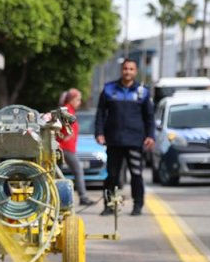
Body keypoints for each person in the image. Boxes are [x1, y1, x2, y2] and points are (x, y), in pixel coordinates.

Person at [95, 59, 154, 216]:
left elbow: (149, 117)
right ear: (121, 70)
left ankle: (138, 205)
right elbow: (100, 113)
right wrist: (99, 133)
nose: (128, 72)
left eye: (131, 69)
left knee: (136, 174)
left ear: (135, 72)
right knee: (112, 175)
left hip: (135, 141)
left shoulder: (142, 91)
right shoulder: (109, 90)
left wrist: (150, 135)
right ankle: (109, 205)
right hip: (114, 140)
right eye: (125, 69)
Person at [57, 88, 95, 206]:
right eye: (78, 99)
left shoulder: (70, 111)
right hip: (65, 147)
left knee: (56, 172)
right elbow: (58, 127)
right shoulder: (66, 110)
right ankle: (83, 197)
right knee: (78, 170)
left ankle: (55, 197)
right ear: (72, 99)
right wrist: (64, 137)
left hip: (66, 147)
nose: (80, 102)